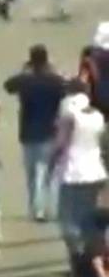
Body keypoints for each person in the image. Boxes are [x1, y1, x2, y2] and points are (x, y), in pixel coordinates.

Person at [2, 46, 66, 221]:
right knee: (45, 173)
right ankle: (43, 207)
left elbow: (7, 86)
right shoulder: (54, 81)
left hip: (28, 132)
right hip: (49, 131)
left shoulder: (25, 81)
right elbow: (65, 87)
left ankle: (34, 206)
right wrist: (54, 71)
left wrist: (24, 70)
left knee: (31, 174)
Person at [53, 88, 108, 256]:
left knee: (67, 219)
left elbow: (61, 144)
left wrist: (52, 163)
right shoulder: (98, 117)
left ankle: (79, 255)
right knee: (89, 218)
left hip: (72, 172)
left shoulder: (71, 117)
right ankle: (94, 254)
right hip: (96, 171)